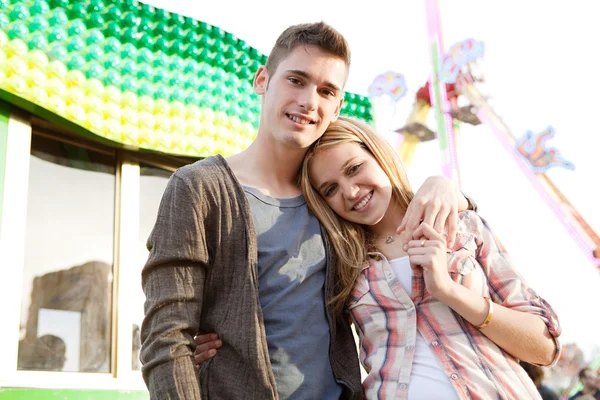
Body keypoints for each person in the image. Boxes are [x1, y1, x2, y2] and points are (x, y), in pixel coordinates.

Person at [142, 22, 475, 400]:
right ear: (262, 80)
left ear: (338, 106)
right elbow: (166, 337)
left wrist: (447, 188)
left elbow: (396, 222)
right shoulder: (199, 188)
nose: (308, 102)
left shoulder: (336, 200)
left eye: (326, 90)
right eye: (296, 80)